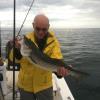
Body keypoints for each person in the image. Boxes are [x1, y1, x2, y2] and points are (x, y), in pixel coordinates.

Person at [10, 14, 70, 100]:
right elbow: (14, 60)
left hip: (44, 85)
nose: (40, 32)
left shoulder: (53, 42)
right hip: (25, 85)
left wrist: (60, 72)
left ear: (48, 27)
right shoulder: (26, 40)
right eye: (37, 28)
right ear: (33, 25)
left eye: (44, 29)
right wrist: (16, 49)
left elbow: (57, 59)